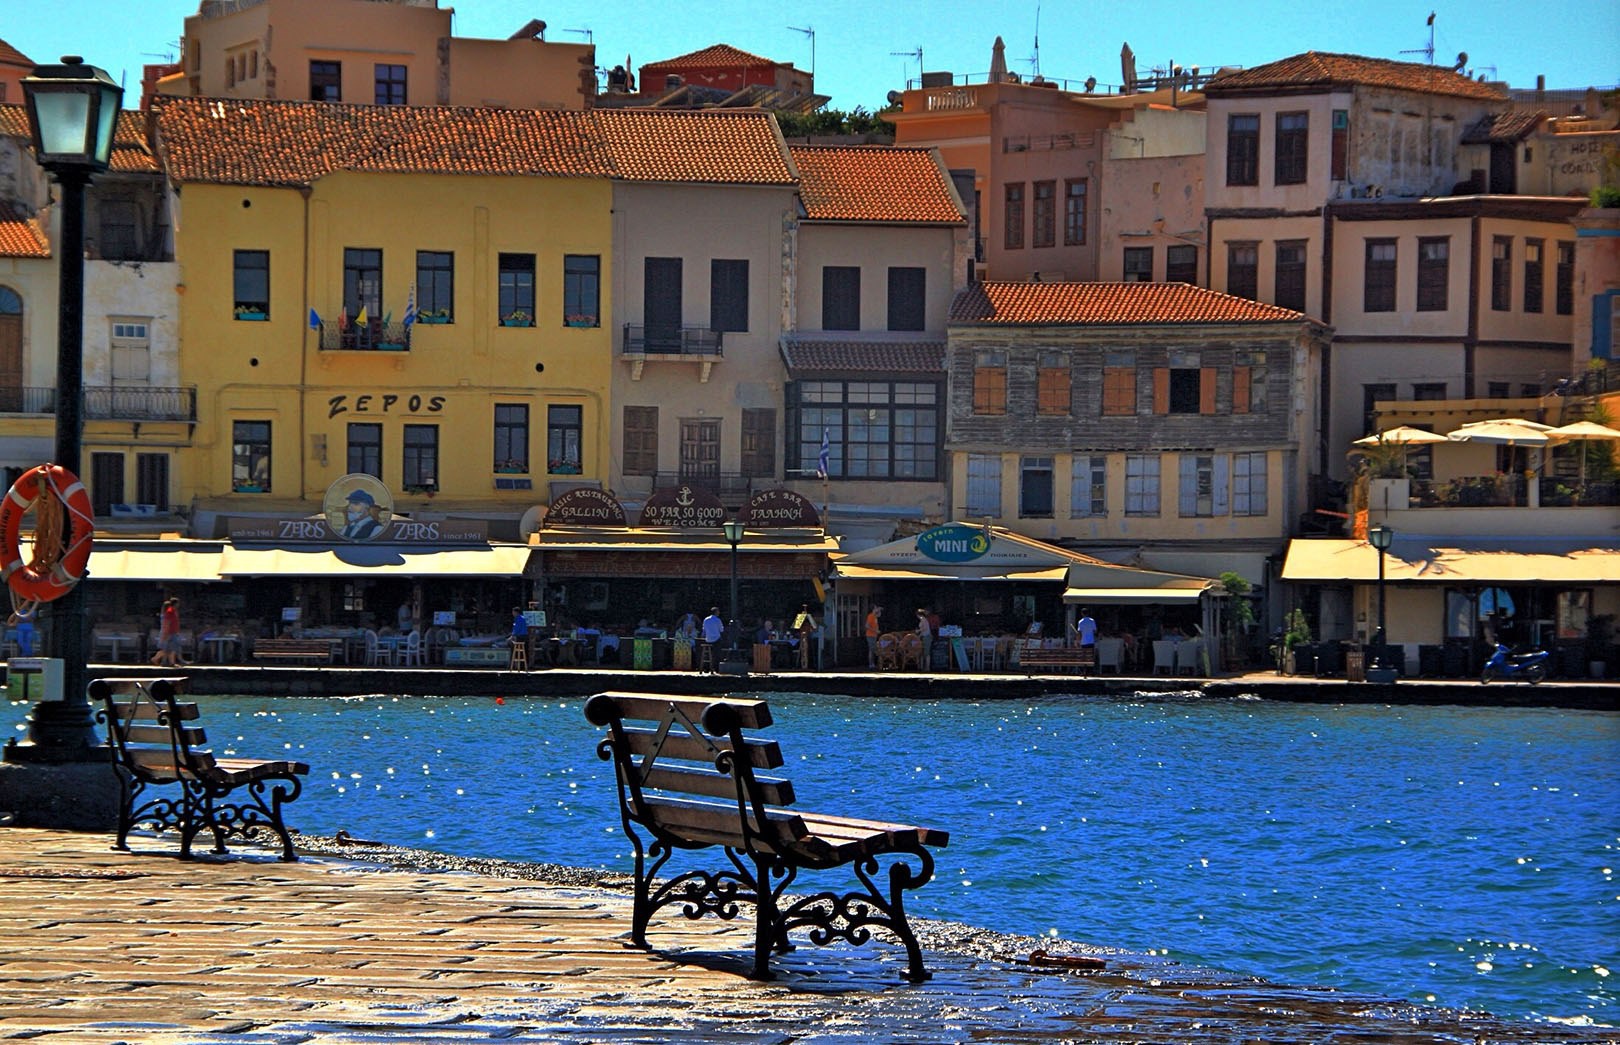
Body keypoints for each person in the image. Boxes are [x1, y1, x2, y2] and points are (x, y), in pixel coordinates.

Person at [151, 597, 183, 667]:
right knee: (167, 649)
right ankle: (156, 659)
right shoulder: (169, 612)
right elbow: (167, 623)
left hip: (173, 632)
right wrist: (166, 634)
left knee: (171, 649)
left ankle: (171, 662)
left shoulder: (173, 611)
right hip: (169, 633)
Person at [792, 604, 818, 669]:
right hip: (801, 639)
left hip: (808, 639)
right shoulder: (800, 619)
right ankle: (800, 664)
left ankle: (809, 665)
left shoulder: (809, 618)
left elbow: (814, 628)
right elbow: (796, 628)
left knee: (809, 651)